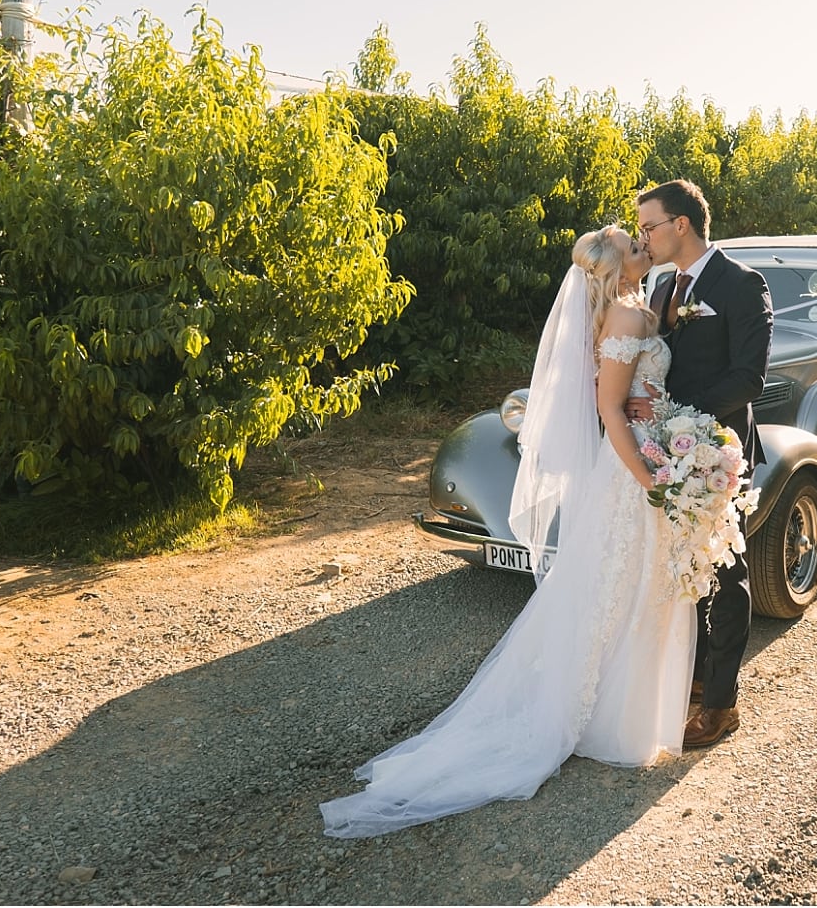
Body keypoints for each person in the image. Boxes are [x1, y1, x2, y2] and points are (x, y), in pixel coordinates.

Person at [320, 225, 699, 838]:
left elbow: (634, 390)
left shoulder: (637, 306)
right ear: (614, 266)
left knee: (629, 588)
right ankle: (607, 718)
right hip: (633, 469)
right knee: (619, 589)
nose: (643, 248)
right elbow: (608, 409)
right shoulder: (625, 322)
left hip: (647, 453)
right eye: (634, 245)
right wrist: (649, 478)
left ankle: (620, 707)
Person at [628, 180, 774, 748]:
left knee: (725, 570)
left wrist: (676, 417)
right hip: (668, 449)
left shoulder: (741, 284)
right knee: (679, 564)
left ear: (680, 224)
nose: (645, 236)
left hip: (717, 448)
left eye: (649, 226)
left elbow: (749, 377)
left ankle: (721, 704)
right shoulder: (664, 284)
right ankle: (690, 677)